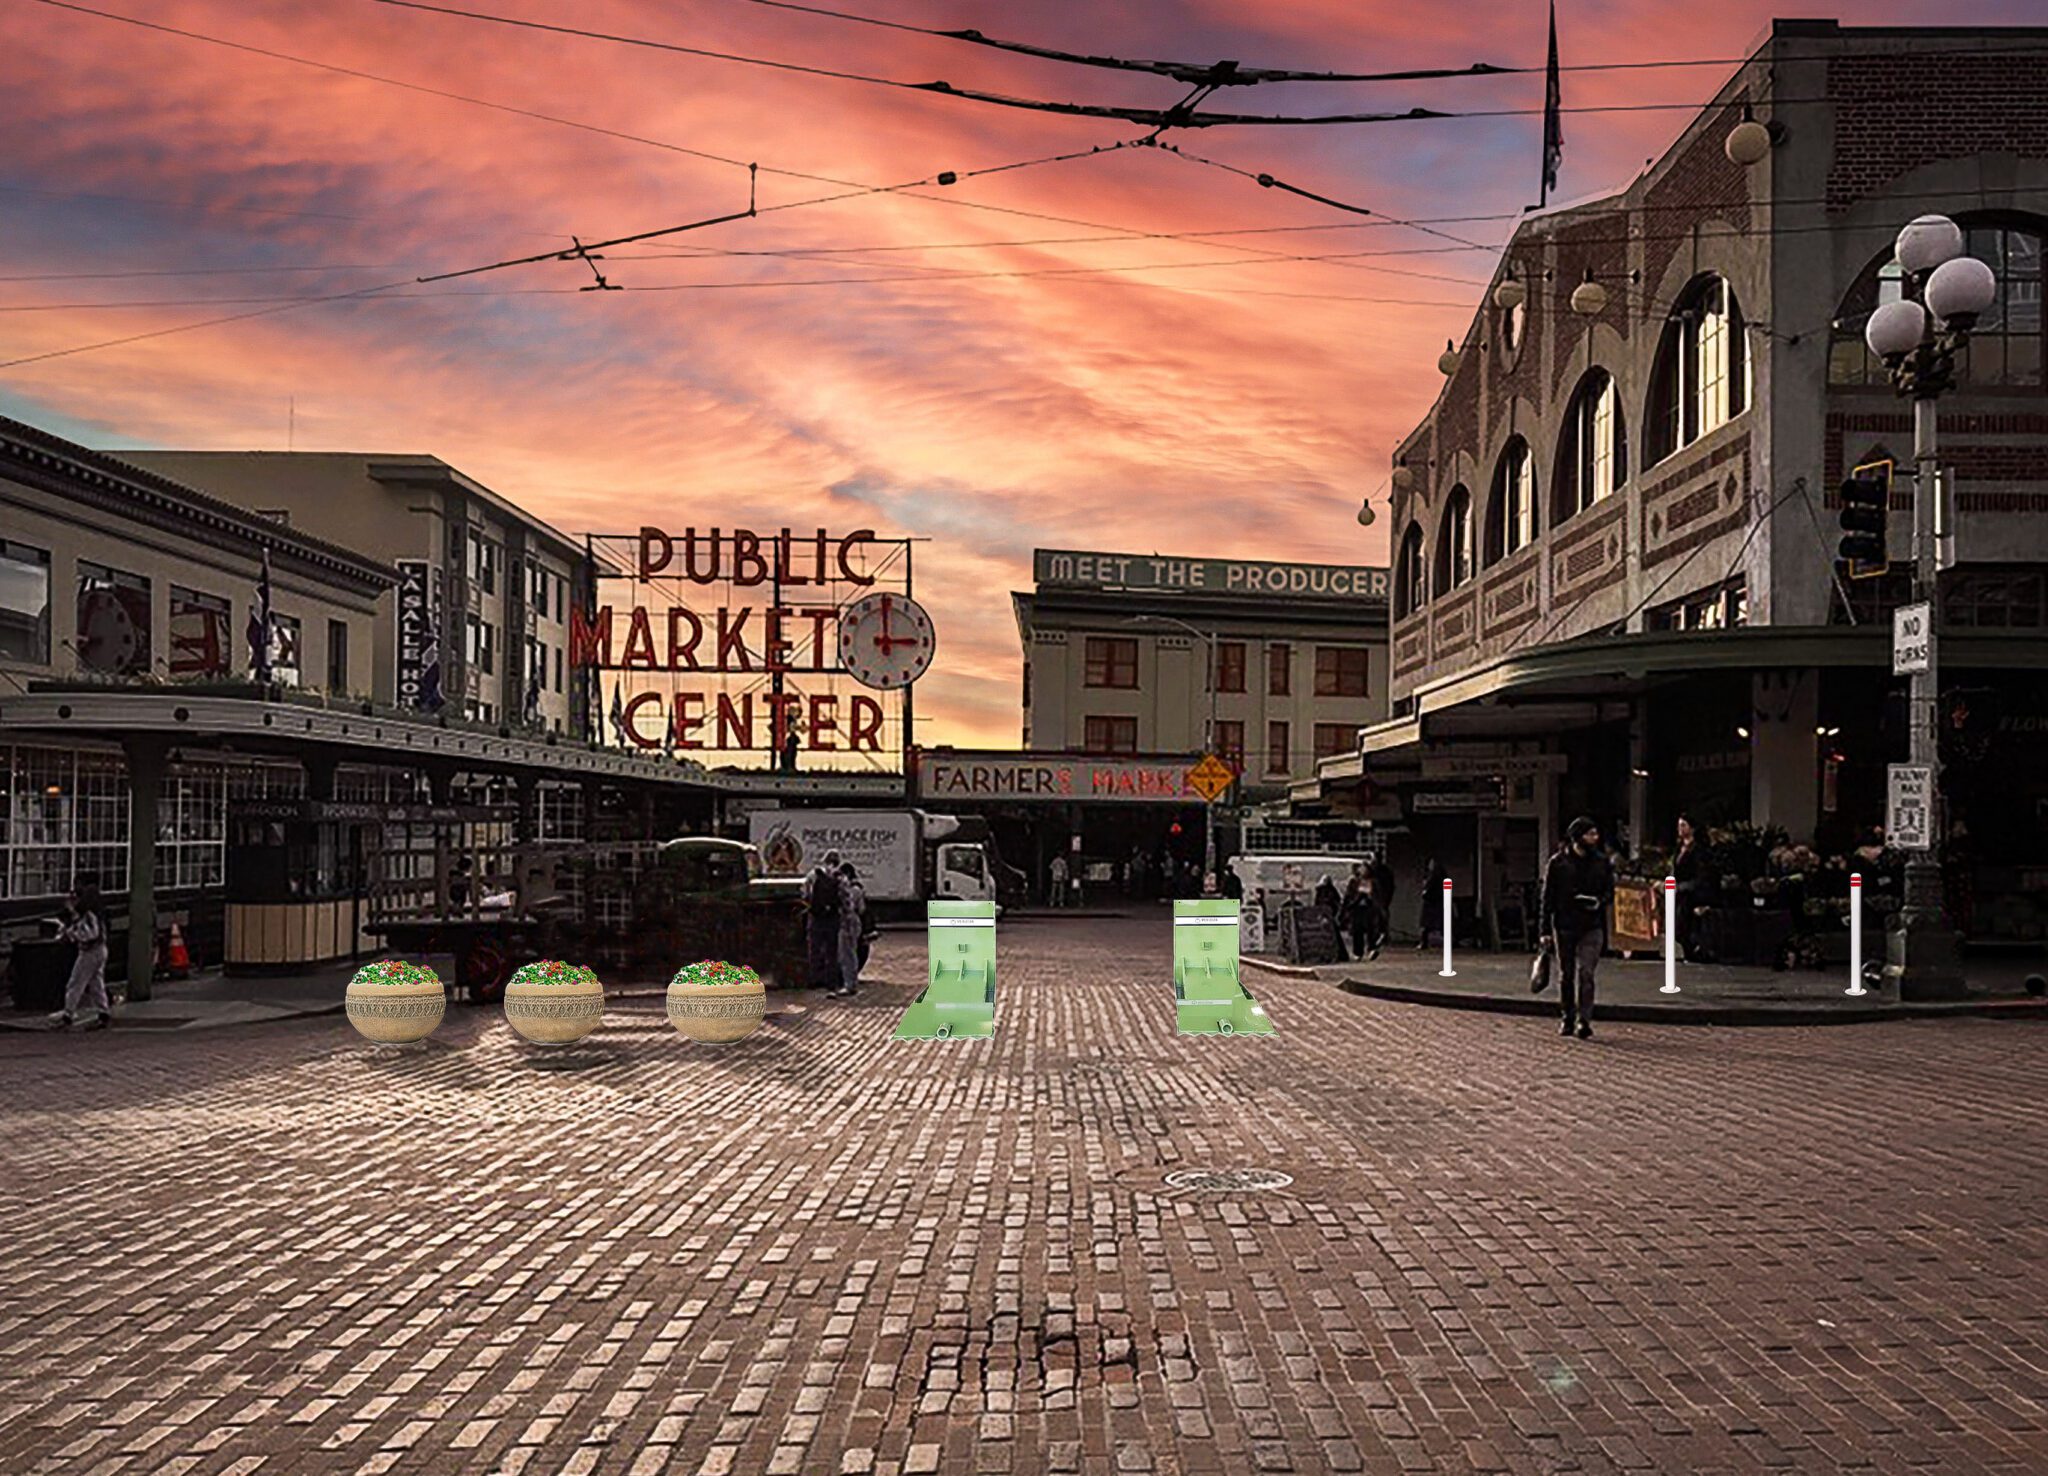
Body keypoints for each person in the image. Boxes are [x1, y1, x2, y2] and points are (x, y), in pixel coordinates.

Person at [1542, 816, 1615, 1039]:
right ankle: (1567, 1017)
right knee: (1566, 974)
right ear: (1577, 838)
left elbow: (1610, 892)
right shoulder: (1558, 863)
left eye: (1595, 834)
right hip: (1565, 924)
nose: (1594, 839)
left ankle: (1585, 1019)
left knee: (1586, 972)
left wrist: (1599, 902)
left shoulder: (1602, 862)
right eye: (1589, 834)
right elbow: (1547, 898)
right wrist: (1544, 930)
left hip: (1591, 925)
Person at [52, 873, 112, 1031]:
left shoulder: (88, 914)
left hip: (90, 951)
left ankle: (68, 1015)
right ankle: (103, 1013)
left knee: (76, 982)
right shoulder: (97, 911)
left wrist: (71, 931)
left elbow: (88, 934)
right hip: (100, 949)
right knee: (96, 983)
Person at [803, 848, 844, 992]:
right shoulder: (839, 876)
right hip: (832, 918)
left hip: (816, 917)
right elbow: (844, 897)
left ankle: (814, 979)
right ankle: (831, 982)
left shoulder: (814, 874)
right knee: (832, 951)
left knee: (814, 949)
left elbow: (805, 892)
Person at [833, 861, 869, 998]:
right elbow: (862, 909)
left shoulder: (849, 889)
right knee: (851, 953)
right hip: (855, 921)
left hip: (847, 922)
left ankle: (849, 985)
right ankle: (851, 982)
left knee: (846, 954)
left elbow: (848, 906)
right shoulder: (858, 888)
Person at [1672, 815, 1704, 961]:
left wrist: (1683, 887)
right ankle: (1688, 951)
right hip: (1678, 891)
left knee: (1683, 924)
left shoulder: (1697, 849)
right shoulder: (1679, 847)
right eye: (1679, 825)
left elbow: (1700, 875)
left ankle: (1693, 952)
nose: (1680, 829)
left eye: (1684, 825)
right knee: (1677, 925)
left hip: (1691, 892)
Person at [1340, 863, 1379, 962]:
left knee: (1372, 929)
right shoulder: (1354, 882)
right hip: (1357, 909)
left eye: (1365, 869)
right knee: (1358, 931)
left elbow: (1377, 896)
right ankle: (1358, 952)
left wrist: (1370, 898)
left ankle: (1372, 949)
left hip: (1369, 909)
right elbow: (1348, 896)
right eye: (1361, 869)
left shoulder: (1373, 882)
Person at [1416, 859, 1446, 949]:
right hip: (1434, 901)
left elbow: (1427, 889)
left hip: (1434, 902)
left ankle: (1424, 942)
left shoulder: (1435, 877)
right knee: (1429, 925)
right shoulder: (1433, 876)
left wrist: (1426, 892)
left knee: (1430, 924)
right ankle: (1424, 942)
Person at [1370, 854, 1396, 952]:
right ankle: (1381, 935)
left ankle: (1381, 935)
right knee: (1380, 916)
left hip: (1380, 897)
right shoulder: (1383, 871)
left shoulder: (1377, 872)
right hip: (1380, 897)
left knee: (1379, 917)